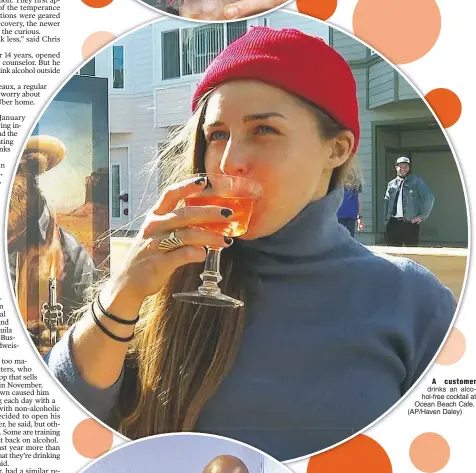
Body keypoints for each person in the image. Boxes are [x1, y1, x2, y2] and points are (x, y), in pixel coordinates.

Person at [45, 28, 455, 460]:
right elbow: (65, 427)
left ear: (337, 149)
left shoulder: (413, 301)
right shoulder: (166, 278)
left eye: (263, 130)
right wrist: (121, 294)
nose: (227, 161)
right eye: (217, 134)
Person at [384, 156, 435, 247]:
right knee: (392, 253)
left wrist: (422, 216)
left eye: (406, 166)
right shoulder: (391, 184)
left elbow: (429, 197)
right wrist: (386, 220)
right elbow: (386, 201)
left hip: (410, 223)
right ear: (396, 167)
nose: (403, 169)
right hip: (393, 223)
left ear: (409, 168)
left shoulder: (416, 181)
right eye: (401, 166)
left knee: (411, 252)